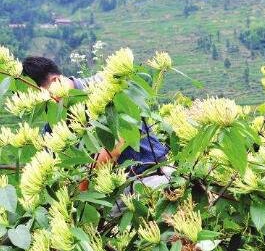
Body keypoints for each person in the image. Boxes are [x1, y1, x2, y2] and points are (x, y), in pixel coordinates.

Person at [22, 56, 170, 187]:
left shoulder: (104, 86)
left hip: (152, 175)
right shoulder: (53, 127)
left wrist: (83, 185)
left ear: (56, 82)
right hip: (115, 194)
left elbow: (118, 143)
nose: (38, 106)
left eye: (38, 97)